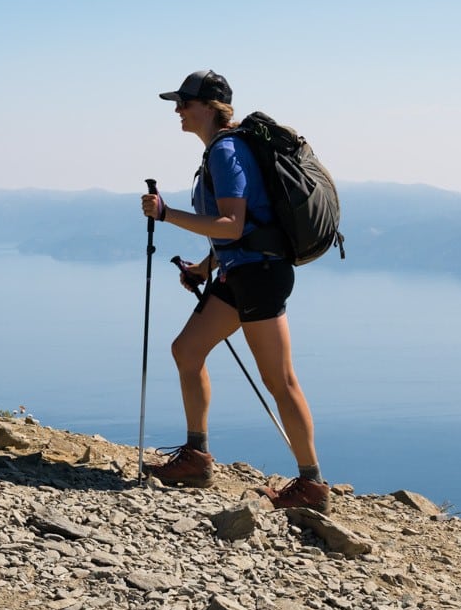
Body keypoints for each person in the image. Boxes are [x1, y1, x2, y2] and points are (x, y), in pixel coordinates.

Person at [138, 69, 328, 511]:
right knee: (186, 351)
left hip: (260, 275)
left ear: (208, 107)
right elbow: (237, 235)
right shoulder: (221, 151)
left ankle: (312, 485)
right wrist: (205, 268)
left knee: (279, 380)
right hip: (239, 272)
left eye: (184, 103)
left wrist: (166, 214)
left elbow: (232, 224)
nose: (177, 111)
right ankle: (197, 458)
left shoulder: (226, 151)